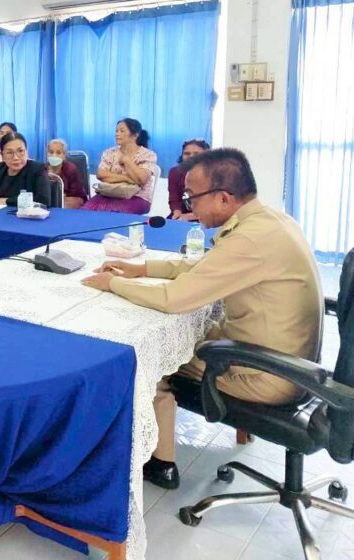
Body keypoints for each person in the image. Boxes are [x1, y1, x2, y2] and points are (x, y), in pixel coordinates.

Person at [82, 149, 322, 490]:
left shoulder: (250, 239)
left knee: (150, 356)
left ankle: (160, 462)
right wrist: (142, 269)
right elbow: (207, 265)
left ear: (223, 197)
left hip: (267, 373)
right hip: (293, 362)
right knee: (185, 335)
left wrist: (113, 284)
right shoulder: (270, 221)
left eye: (192, 197)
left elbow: (173, 299)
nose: (190, 207)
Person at [83, 118, 157, 214]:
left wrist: (127, 161)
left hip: (137, 197)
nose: (117, 134)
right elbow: (101, 175)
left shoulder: (148, 154)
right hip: (109, 193)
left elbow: (142, 180)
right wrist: (127, 179)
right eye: (116, 131)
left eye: (122, 131)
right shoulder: (110, 152)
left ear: (135, 135)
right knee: (85, 212)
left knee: (113, 214)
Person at [0, 132, 50, 207]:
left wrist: (6, 201)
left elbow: (43, 199)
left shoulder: (37, 169)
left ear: (27, 151)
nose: (16, 157)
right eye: (9, 153)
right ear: (2, 155)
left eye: (20, 151)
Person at [169, 139, 211, 220]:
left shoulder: (216, 174)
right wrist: (177, 213)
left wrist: (191, 216)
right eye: (187, 153)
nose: (191, 156)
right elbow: (174, 199)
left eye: (197, 154)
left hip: (209, 217)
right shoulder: (175, 172)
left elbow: (215, 207)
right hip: (182, 215)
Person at [46, 138, 88, 209]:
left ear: (64, 155)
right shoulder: (43, 170)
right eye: (51, 152)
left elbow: (77, 194)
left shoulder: (71, 169)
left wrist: (61, 197)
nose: (54, 155)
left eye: (58, 153)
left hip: (72, 199)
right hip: (51, 200)